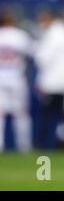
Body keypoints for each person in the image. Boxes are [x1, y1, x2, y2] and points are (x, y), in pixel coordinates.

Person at [34, 9, 64, 149]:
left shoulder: (54, 34)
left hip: (54, 83)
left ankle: (46, 144)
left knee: (50, 116)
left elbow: (42, 59)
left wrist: (41, 82)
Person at [0, 11, 33, 152]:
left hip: (1, 78)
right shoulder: (20, 35)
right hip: (16, 78)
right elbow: (35, 52)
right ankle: (24, 147)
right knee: (21, 114)